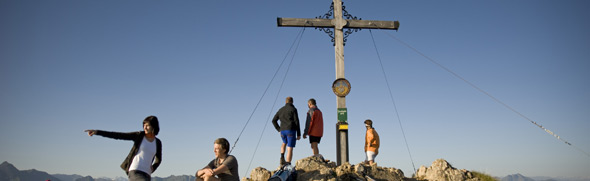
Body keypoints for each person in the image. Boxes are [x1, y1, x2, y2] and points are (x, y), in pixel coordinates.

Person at [84, 115, 162, 181]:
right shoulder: (139, 136)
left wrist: (154, 167)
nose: (145, 127)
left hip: (147, 174)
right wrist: (97, 132)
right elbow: (118, 135)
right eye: (144, 125)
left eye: (147, 125)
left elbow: (158, 159)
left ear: (154, 126)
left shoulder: (157, 142)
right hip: (135, 171)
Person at [272, 96, 301, 166]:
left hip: (282, 131)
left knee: (284, 142)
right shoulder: (293, 109)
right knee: (290, 147)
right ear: (292, 102)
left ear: (285, 102)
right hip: (291, 130)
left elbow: (273, 120)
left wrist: (278, 129)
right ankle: (288, 164)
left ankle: (282, 157)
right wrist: (299, 134)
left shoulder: (281, 110)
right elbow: (296, 121)